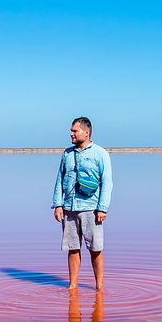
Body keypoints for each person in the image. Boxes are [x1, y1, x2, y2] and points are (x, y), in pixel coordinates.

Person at [51, 117, 113, 290]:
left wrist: (102, 208)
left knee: (95, 248)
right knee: (72, 248)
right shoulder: (67, 154)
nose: (71, 134)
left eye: (74, 131)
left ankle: (99, 287)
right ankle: (72, 286)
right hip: (69, 208)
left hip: (91, 208)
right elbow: (59, 179)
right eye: (71, 131)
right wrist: (57, 204)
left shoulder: (100, 153)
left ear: (86, 132)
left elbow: (107, 182)